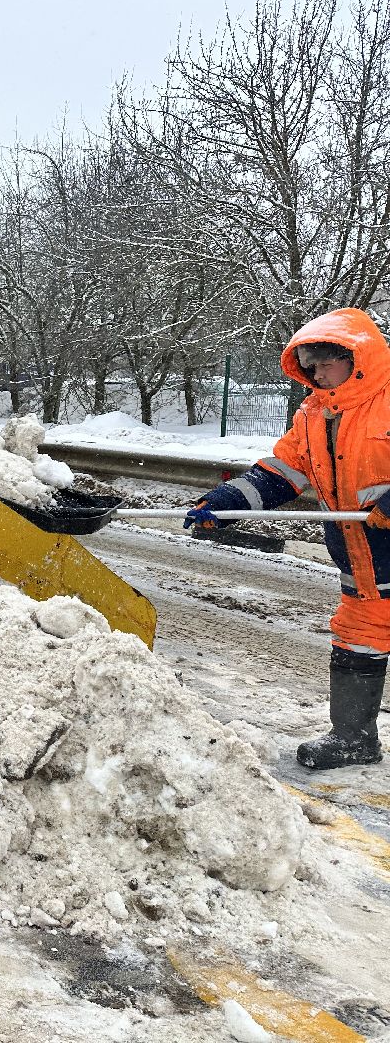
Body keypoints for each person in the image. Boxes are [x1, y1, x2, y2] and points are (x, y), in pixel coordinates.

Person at [186, 307, 390, 770]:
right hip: (363, 560)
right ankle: (354, 739)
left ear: (355, 357)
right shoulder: (315, 414)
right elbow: (282, 473)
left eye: (324, 362)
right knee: (359, 638)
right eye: (310, 366)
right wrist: (226, 501)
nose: (316, 374)